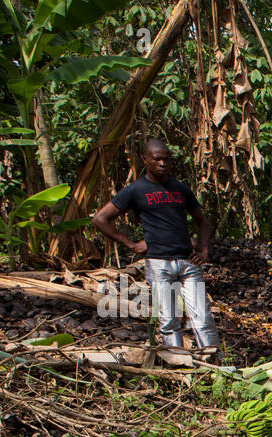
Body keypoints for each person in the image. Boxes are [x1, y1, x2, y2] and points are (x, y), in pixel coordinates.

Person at [92, 139, 218, 351]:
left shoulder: (179, 189)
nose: (162, 163)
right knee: (168, 319)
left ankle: (214, 360)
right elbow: (100, 219)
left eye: (166, 159)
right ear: (145, 159)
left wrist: (204, 249)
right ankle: (178, 362)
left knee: (202, 316)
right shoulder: (135, 190)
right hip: (159, 263)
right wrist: (130, 244)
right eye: (157, 159)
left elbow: (201, 221)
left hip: (188, 261)